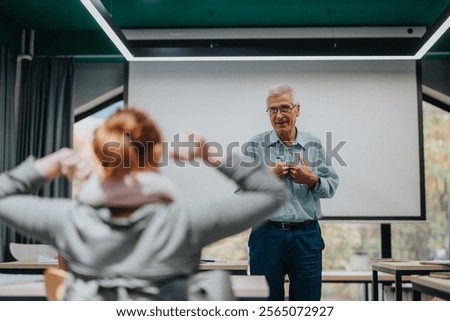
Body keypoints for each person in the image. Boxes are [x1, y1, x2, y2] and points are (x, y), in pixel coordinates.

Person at [0, 108, 287, 300]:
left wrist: (51, 165)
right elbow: (272, 193)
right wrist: (206, 151)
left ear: (102, 157)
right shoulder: (184, 221)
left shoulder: (71, 221)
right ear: (156, 153)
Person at [243, 84, 339, 300]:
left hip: (306, 237)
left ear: (297, 110)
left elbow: (331, 185)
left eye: (285, 108)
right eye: (273, 110)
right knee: (264, 306)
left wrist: (312, 179)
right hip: (266, 236)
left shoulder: (313, 144)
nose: (279, 115)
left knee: (307, 305)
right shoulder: (254, 145)